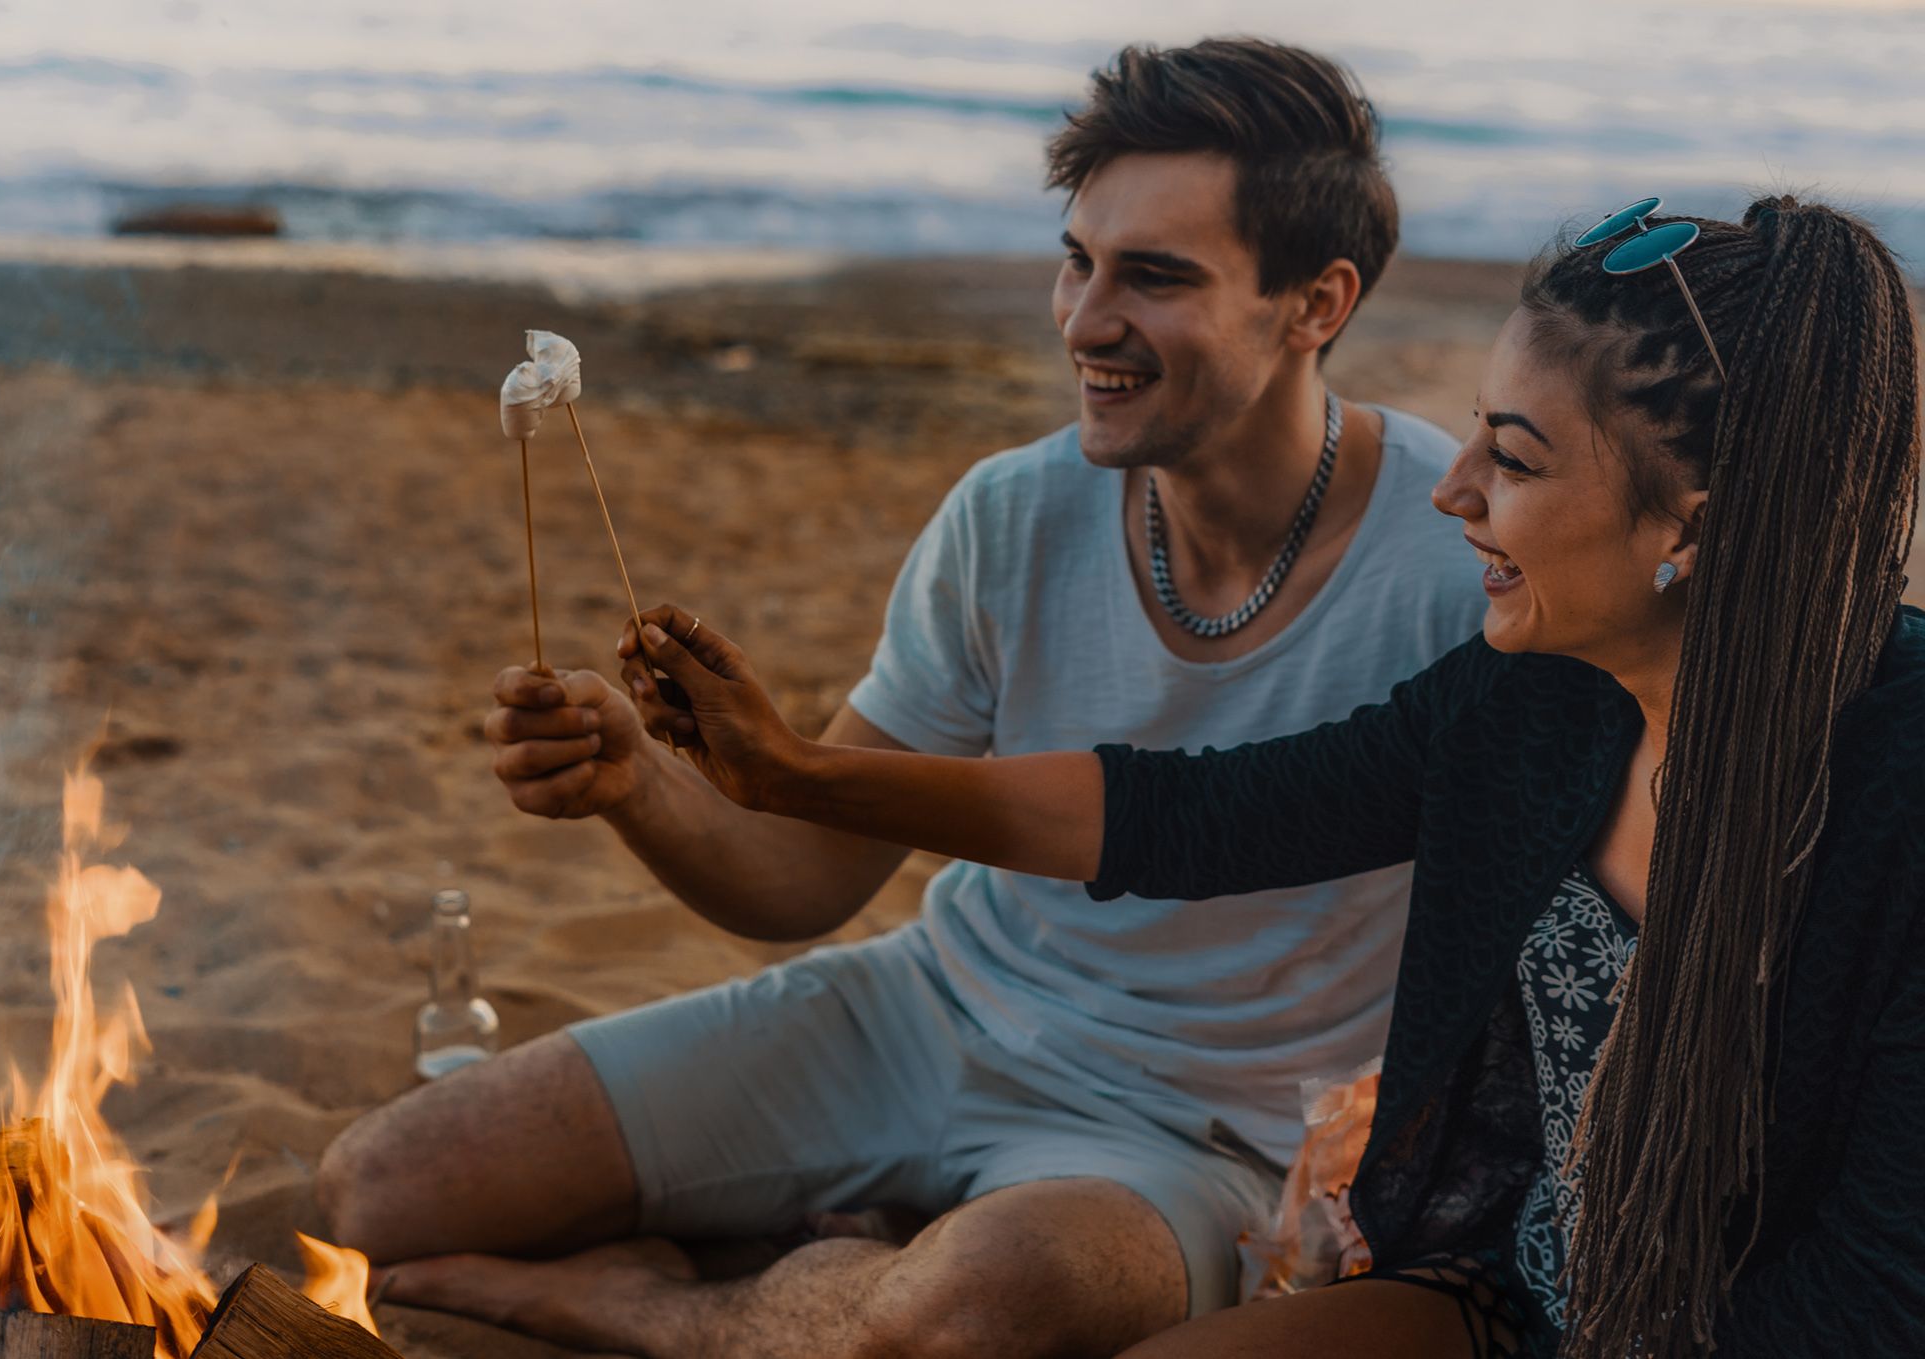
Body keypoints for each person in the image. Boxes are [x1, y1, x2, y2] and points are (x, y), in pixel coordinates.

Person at [315, 36, 1488, 1359]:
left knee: (980, 1306)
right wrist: (636, 779)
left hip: (1199, 1137)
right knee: (384, 1188)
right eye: (1077, 258)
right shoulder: (1011, 512)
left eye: (1154, 278)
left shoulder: (1456, 566)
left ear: (1315, 303)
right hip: (927, 1010)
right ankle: (844, 1248)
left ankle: (660, 1303)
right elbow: (803, 883)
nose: (1085, 320)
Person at [603, 195, 1925, 1357]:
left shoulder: (1896, 783)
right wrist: (793, 777)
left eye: (1513, 460)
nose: (1453, 490)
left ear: (1689, 527)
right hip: (1510, 1294)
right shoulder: (1540, 697)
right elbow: (1209, 812)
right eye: (1474, 435)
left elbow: (1875, 1298)